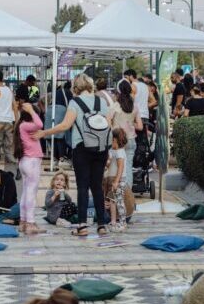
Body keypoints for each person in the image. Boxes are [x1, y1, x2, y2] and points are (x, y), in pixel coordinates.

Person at [33, 74, 110, 237]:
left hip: (82, 148)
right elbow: (108, 124)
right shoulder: (102, 102)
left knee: (82, 187)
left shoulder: (75, 103)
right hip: (102, 148)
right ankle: (102, 224)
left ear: (76, 88)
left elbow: (65, 125)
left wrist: (45, 132)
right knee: (97, 186)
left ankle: (82, 226)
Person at [14, 101, 44, 235]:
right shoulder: (27, 126)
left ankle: (23, 221)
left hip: (25, 161)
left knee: (26, 193)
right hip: (31, 162)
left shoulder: (21, 125)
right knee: (31, 193)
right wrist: (32, 110)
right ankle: (30, 223)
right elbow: (40, 124)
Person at [108, 80, 143, 186]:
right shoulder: (135, 106)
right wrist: (130, 125)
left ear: (118, 91)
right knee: (128, 167)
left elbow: (107, 120)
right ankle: (128, 194)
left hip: (117, 140)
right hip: (131, 140)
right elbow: (140, 127)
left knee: (115, 167)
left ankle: (116, 190)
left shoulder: (115, 106)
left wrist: (114, 129)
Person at [104, 129, 128, 231]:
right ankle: (113, 221)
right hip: (113, 179)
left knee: (119, 201)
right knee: (112, 201)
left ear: (114, 140)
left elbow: (120, 167)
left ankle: (123, 222)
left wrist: (116, 182)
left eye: (111, 140)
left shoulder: (120, 152)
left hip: (119, 180)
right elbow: (109, 164)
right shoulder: (112, 151)